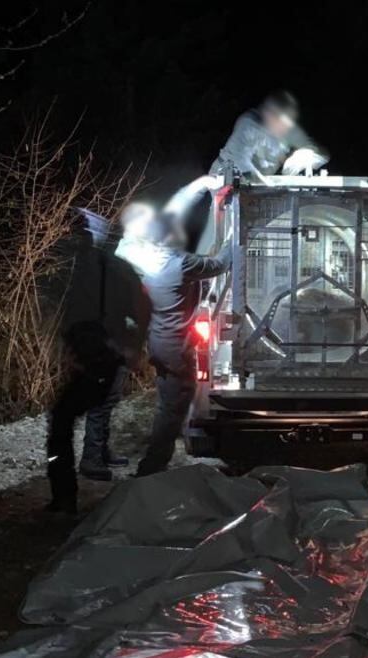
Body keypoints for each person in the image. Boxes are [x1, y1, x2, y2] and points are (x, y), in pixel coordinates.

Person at [116, 176, 231, 476]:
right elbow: (219, 264)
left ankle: (159, 460)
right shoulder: (179, 264)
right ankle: (153, 467)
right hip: (175, 347)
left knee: (169, 402)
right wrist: (237, 233)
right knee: (174, 405)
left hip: (158, 342)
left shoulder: (140, 257)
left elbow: (169, 216)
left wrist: (199, 186)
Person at [46, 209, 150, 514]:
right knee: (92, 408)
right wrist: (134, 348)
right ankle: (89, 463)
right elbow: (143, 310)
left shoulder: (75, 269)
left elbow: (65, 313)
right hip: (107, 355)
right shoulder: (119, 269)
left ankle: (67, 492)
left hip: (95, 357)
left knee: (63, 420)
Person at [210, 90, 328, 181]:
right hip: (225, 177)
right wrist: (269, 186)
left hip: (262, 182)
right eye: (277, 122)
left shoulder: (288, 127)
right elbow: (243, 165)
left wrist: (306, 156)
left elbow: (320, 153)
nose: (282, 130)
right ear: (267, 114)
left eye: (286, 125)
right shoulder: (248, 125)